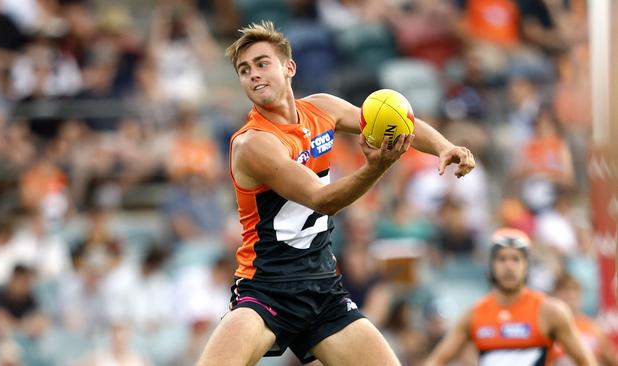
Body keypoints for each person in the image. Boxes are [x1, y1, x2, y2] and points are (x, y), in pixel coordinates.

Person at [197, 21, 476, 366]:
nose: (253, 74)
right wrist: (378, 166)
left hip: (322, 287)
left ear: (289, 67)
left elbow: (394, 120)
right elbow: (322, 199)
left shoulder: (322, 108)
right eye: (244, 70)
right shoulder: (253, 143)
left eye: (262, 63)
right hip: (266, 289)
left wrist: (443, 146)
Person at [425, 228, 597, 366]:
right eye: (502, 259)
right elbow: (437, 360)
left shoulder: (550, 311)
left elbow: (584, 360)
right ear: (491, 265)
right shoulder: (474, 314)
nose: (509, 266)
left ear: (527, 265)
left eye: (516, 259)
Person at [551, 272, 618, 366]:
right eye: (565, 290)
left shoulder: (593, 327)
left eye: (574, 290)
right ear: (555, 294)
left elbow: (611, 360)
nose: (570, 295)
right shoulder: (548, 327)